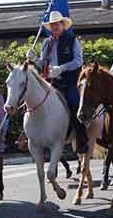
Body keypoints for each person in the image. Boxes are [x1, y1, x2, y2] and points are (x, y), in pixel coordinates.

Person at [30, 11, 87, 154]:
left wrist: (61, 69)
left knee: (75, 105)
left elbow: (78, 61)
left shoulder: (72, 40)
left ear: (63, 25)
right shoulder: (46, 43)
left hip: (68, 82)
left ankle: (82, 139)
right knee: (34, 104)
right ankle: (32, 136)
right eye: (52, 24)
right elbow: (42, 64)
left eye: (57, 24)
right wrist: (34, 59)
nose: (55, 26)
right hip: (51, 83)